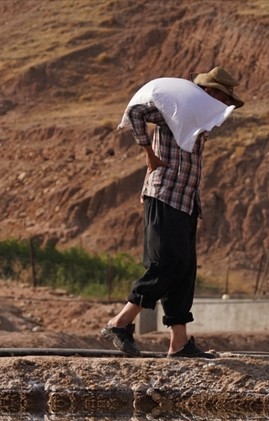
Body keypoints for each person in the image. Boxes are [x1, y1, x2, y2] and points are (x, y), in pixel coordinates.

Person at [99, 67, 245, 359]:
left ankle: (178, 343)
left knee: (184, 270)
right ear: (212, 93)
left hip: (186, 200)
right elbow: (137, 113)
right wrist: (148, 153)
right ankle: (120, 322)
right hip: (165, 195)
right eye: (222, 96)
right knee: (167, 264)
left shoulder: (195, 115)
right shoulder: (174, 108)